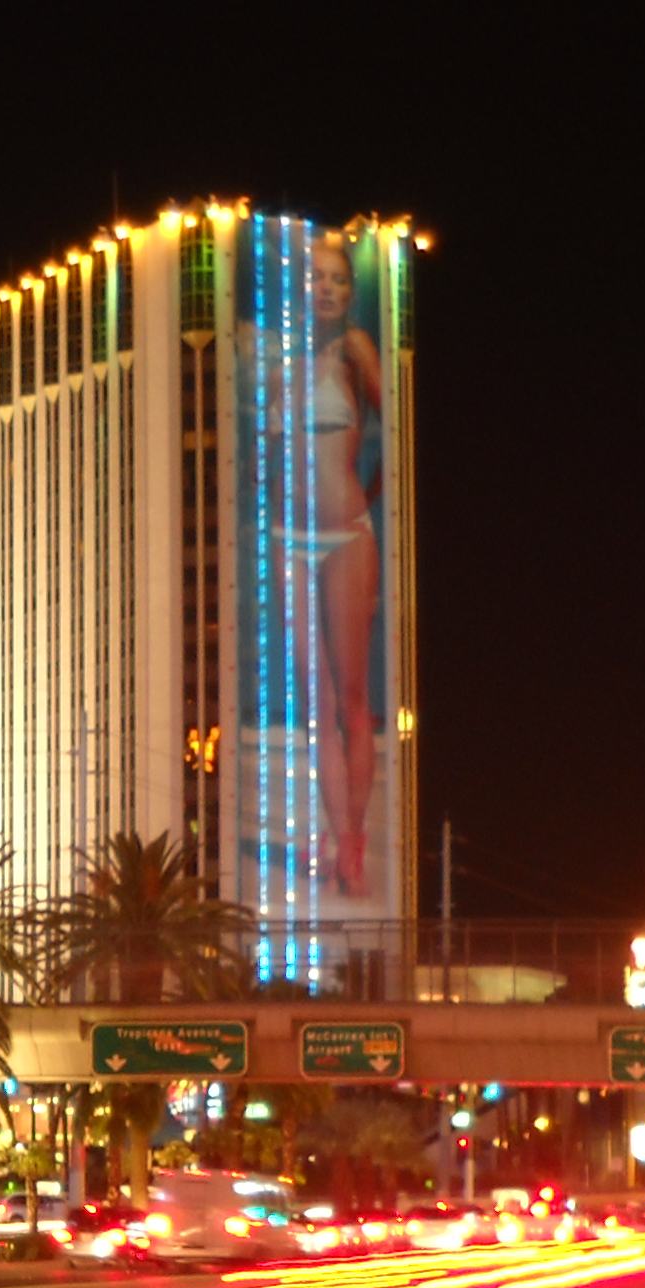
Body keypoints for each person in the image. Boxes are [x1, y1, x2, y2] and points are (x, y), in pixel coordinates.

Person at [303, 231, 386, 899]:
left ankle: (353, 842)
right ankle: (336, 837)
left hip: (347, 532)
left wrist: (374, 493)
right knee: (318, 700)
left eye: (338, 279)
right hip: (292, 536)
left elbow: (397, 419)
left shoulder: (354, 350)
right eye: (316, 278)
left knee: (354, 701)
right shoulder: (284, 363)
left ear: (350, 292)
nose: (326, 288)